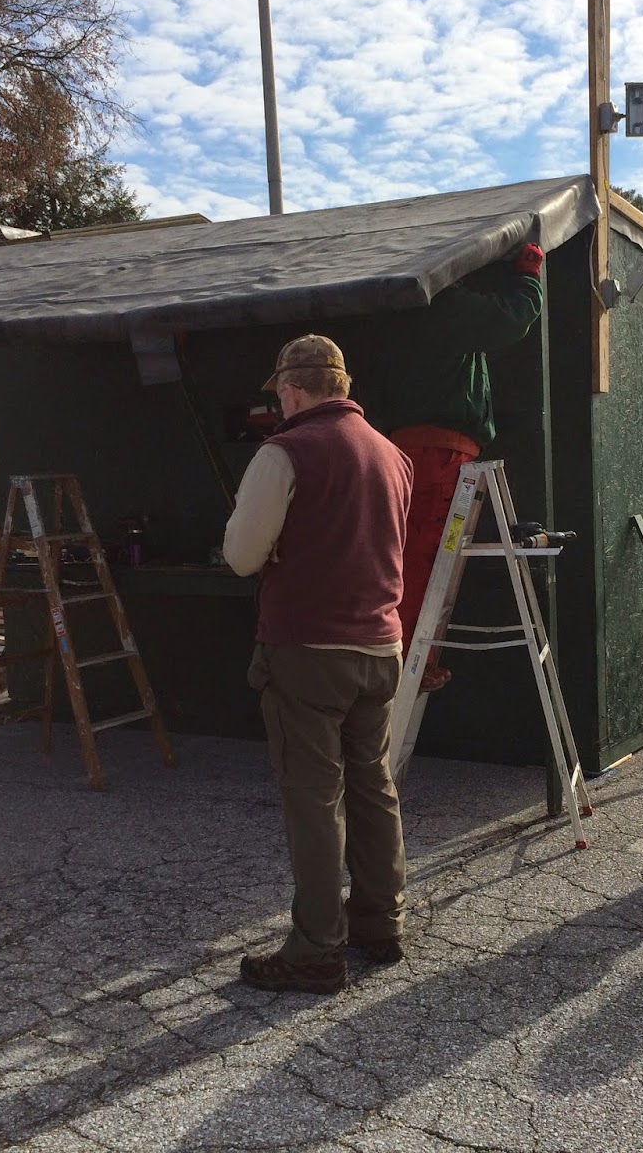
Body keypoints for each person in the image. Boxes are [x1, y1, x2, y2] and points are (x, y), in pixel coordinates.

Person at [225, 335, 414, 994]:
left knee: (313, 798)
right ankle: (380, 922)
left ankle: (315, 948)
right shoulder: (391, 454)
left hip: (307, 648)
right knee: (373, 786)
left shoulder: (284, 452)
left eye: (280, 394)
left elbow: (242, 556)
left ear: (293, 390)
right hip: (381, 645)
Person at [367, 242, 546, 691]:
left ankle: (406, 661)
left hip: (405, 451)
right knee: (426, 562)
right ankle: (408, 667)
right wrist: (528, 275)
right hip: (438, 456)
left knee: (405, 559)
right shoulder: (441, 305)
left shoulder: (395, 310)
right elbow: (512, 317)